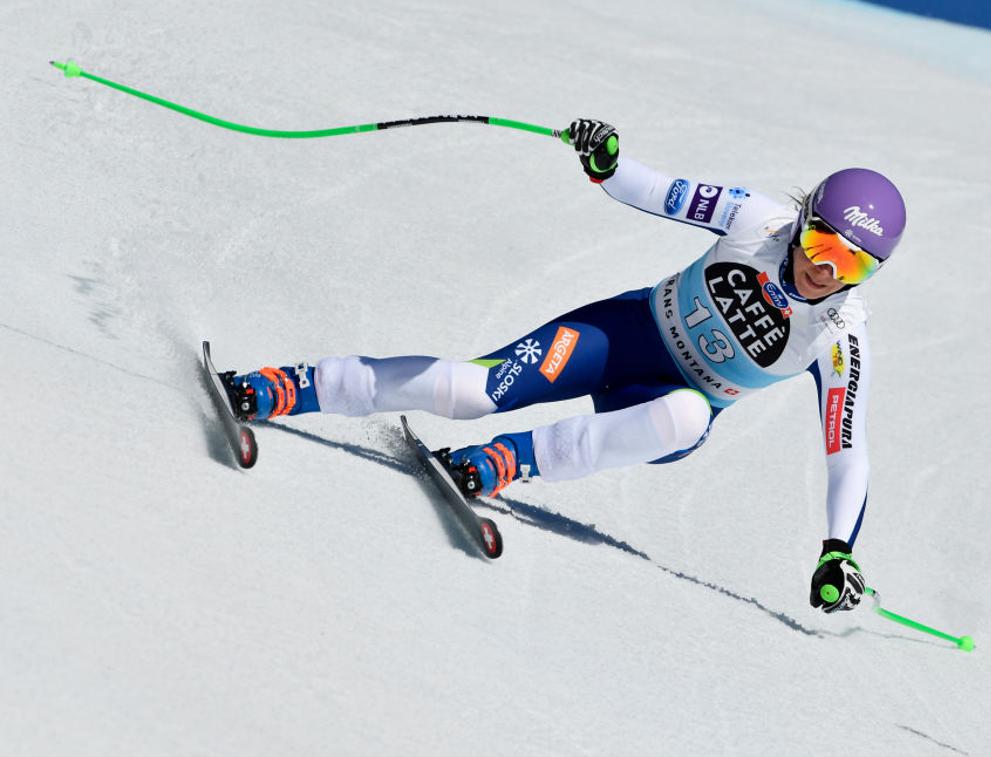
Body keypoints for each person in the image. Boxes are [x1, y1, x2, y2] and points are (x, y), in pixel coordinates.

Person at [222, 119, 906, 614]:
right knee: (470, 389)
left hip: (662, 405)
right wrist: (608, 164)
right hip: (623, 334)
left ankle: (502, 462)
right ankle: (291, 387)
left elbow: (847, 453)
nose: (822, 268)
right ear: (804, 217)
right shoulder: (757, 219)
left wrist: (836, 549)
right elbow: (659, 191)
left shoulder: (842, 336)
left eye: (851, 264)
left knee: (688, 414)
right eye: (821, 240)